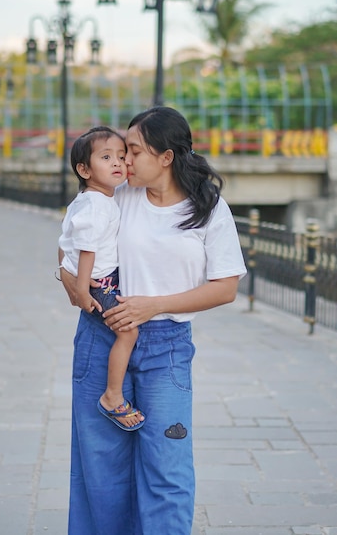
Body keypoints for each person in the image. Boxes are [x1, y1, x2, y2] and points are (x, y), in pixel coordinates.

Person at [59, 107, 247, 535]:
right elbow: (69, 244)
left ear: (166, 157)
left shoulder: (209, 210)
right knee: (101, 469)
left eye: (134, 151)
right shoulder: (115, 194)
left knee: (168, 466)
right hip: (101, 338)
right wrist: (68, 280)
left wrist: (154, 305)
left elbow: (226, 288)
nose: (124, 161)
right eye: (121, 152)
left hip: (166, 347)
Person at [58, 126, 145, 432]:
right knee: (128, 332)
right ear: (84, 169)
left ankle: (114, 392)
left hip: (97, 276)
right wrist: (81, 289)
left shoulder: (93, 198)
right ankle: (112, 396)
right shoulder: (96, 203)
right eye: (106, 157)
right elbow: (86, 248)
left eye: (122, 156)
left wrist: (64, 272)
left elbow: (63, 240)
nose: (118, 163)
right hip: (99, 282)